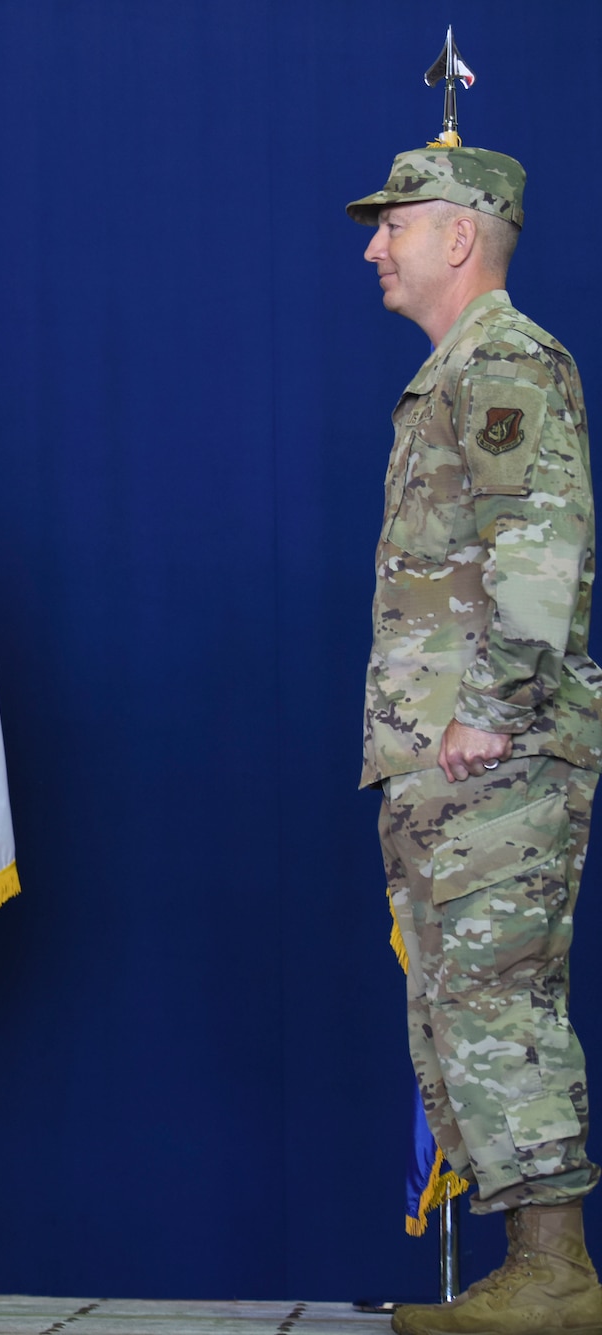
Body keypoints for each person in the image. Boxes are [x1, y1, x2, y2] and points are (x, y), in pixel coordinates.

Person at [349, 149, 602, 1335]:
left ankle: (554, 1280)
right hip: (447, 760)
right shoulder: (457, 372)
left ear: (458, 237)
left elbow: (536, 554)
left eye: (389, 225)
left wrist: (486, 713)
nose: (370, 248)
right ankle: (532, 1269)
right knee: (461, 1004)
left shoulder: (502, 361)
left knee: (496, 1004)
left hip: (492, 755)